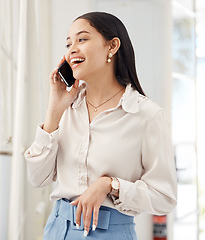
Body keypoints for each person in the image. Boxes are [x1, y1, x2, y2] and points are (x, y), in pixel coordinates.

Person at [24, 11, 177, 239]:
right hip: (57, 230)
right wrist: (54, 111)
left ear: (112, 46)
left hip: (110, 232)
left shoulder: (146, 115)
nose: (72, 49)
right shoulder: (66, 109)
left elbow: (165, 197)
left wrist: (110, 185)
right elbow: (37, 178)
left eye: (82, 39)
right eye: (68, 43)